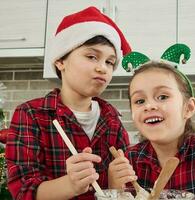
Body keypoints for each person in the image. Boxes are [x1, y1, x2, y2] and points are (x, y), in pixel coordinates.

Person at [5, 6, 134, 200]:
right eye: (92, 57)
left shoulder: (113, 120)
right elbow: (22, 192)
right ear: (60, 61)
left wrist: (117, 186)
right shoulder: (30, 114)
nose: (102, 68)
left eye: (110, 62)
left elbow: (124, 190)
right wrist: (71, 185)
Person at [109, 56, 195, 199]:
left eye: (162, 97)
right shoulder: (130, 160)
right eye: (140, 101)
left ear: (188, 108)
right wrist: (114, 190)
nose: (149, 105)